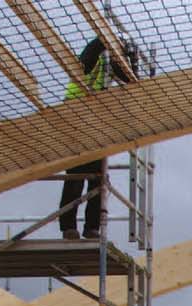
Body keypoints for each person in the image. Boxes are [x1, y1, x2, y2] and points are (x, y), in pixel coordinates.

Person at [58, 38, 138, 239]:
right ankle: (68, 226)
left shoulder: (111, 63)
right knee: (76, 174)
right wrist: (105, 40)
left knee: (98, 175)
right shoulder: (95, 55)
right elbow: (86, 60)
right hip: (75, 114)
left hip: (95, 120)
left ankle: (91, 227)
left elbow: (131, 80)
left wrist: (131, 60)